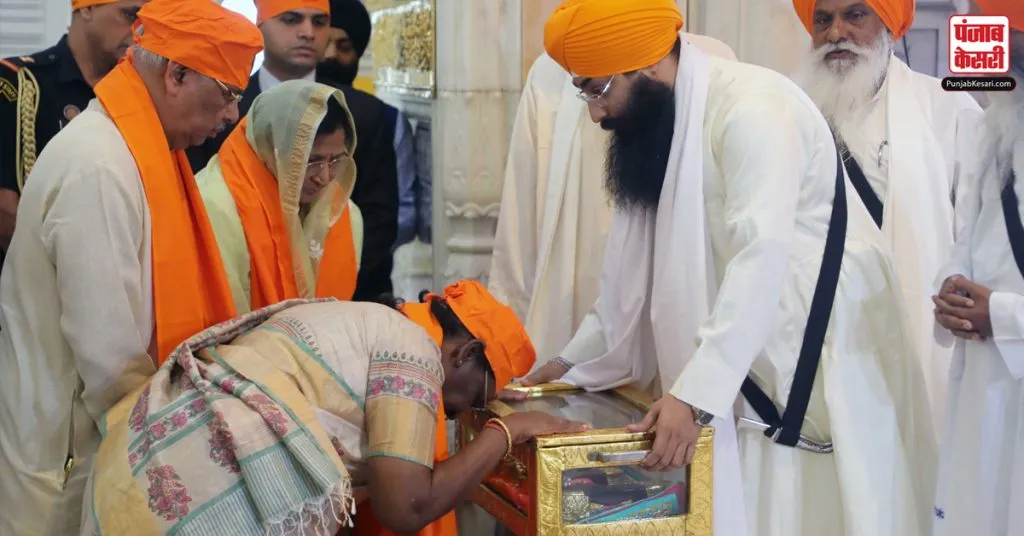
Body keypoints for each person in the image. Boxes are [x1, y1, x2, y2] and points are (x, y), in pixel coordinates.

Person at [526, 1, 937, 534]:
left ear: (648, 63)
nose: (595, 113)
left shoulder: (751, 106)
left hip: (822, 347)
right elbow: (632, 267)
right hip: (745, 346)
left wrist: (696, 394)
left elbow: (759, 252)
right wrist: (569, 361)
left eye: (598, 89)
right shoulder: (668, 120)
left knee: (814, 508)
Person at [0, 1, 263, 534]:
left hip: (100, 448)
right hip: (65, 464)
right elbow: (110, 358)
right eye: (229, 94)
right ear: (177, 73)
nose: (232, 116)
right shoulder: (98, 165)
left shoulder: (135, 151)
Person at [83, 281, 587, 535]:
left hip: (132, 475)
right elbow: (405, 506)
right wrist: (505, 432)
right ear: (466, 353)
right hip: (189, 502)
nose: (459, 416)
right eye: (475, 398)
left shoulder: (373, 323)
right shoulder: (411, 349)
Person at [790, 0, 984, 437]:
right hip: (819, 340)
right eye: (823, 20)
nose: (836, 33)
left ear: (889, 25)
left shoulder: (949, 108)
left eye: (855, 15)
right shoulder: (789, 111)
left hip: (916, 331)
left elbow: (977, 236)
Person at [489, 34, 737, 367]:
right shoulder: (550, 72)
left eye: (599, 92)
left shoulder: (711, 61)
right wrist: (502, 343)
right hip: (577, 307)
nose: (595, 113)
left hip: (686, 321)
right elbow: (520, 219)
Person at [188, 0, 400, 301]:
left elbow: (380, 217)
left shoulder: (361, 113)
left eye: (319, 22)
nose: (307, 33)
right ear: (259, 25)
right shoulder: (223, 105)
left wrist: (330, 294)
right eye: (291, 20)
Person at [931, 2, 1024, 534]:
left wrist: (1004, 315)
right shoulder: (997, 126)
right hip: (987, 383)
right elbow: (973, 233)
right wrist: (951, 291)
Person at [198, 79, 364, 314]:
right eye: (311, 161)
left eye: (335, 160)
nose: (324, 177)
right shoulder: (215, 206)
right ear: (272, 149)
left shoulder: (344, 214)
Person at [0, 0, 146, 259]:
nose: (139, 30)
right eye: (130, 14)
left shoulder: (143, 96)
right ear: (87, 8)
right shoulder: (17, 83)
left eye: (148, 20)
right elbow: (6, 212)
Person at [319, 0, 425, 250]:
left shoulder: (386, 120)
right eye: (325, 44)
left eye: (343, 46)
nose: (331, 55)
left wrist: (345, 250)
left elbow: (405, 216)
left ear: (358, 53)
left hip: (367, 279)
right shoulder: (280, 110)